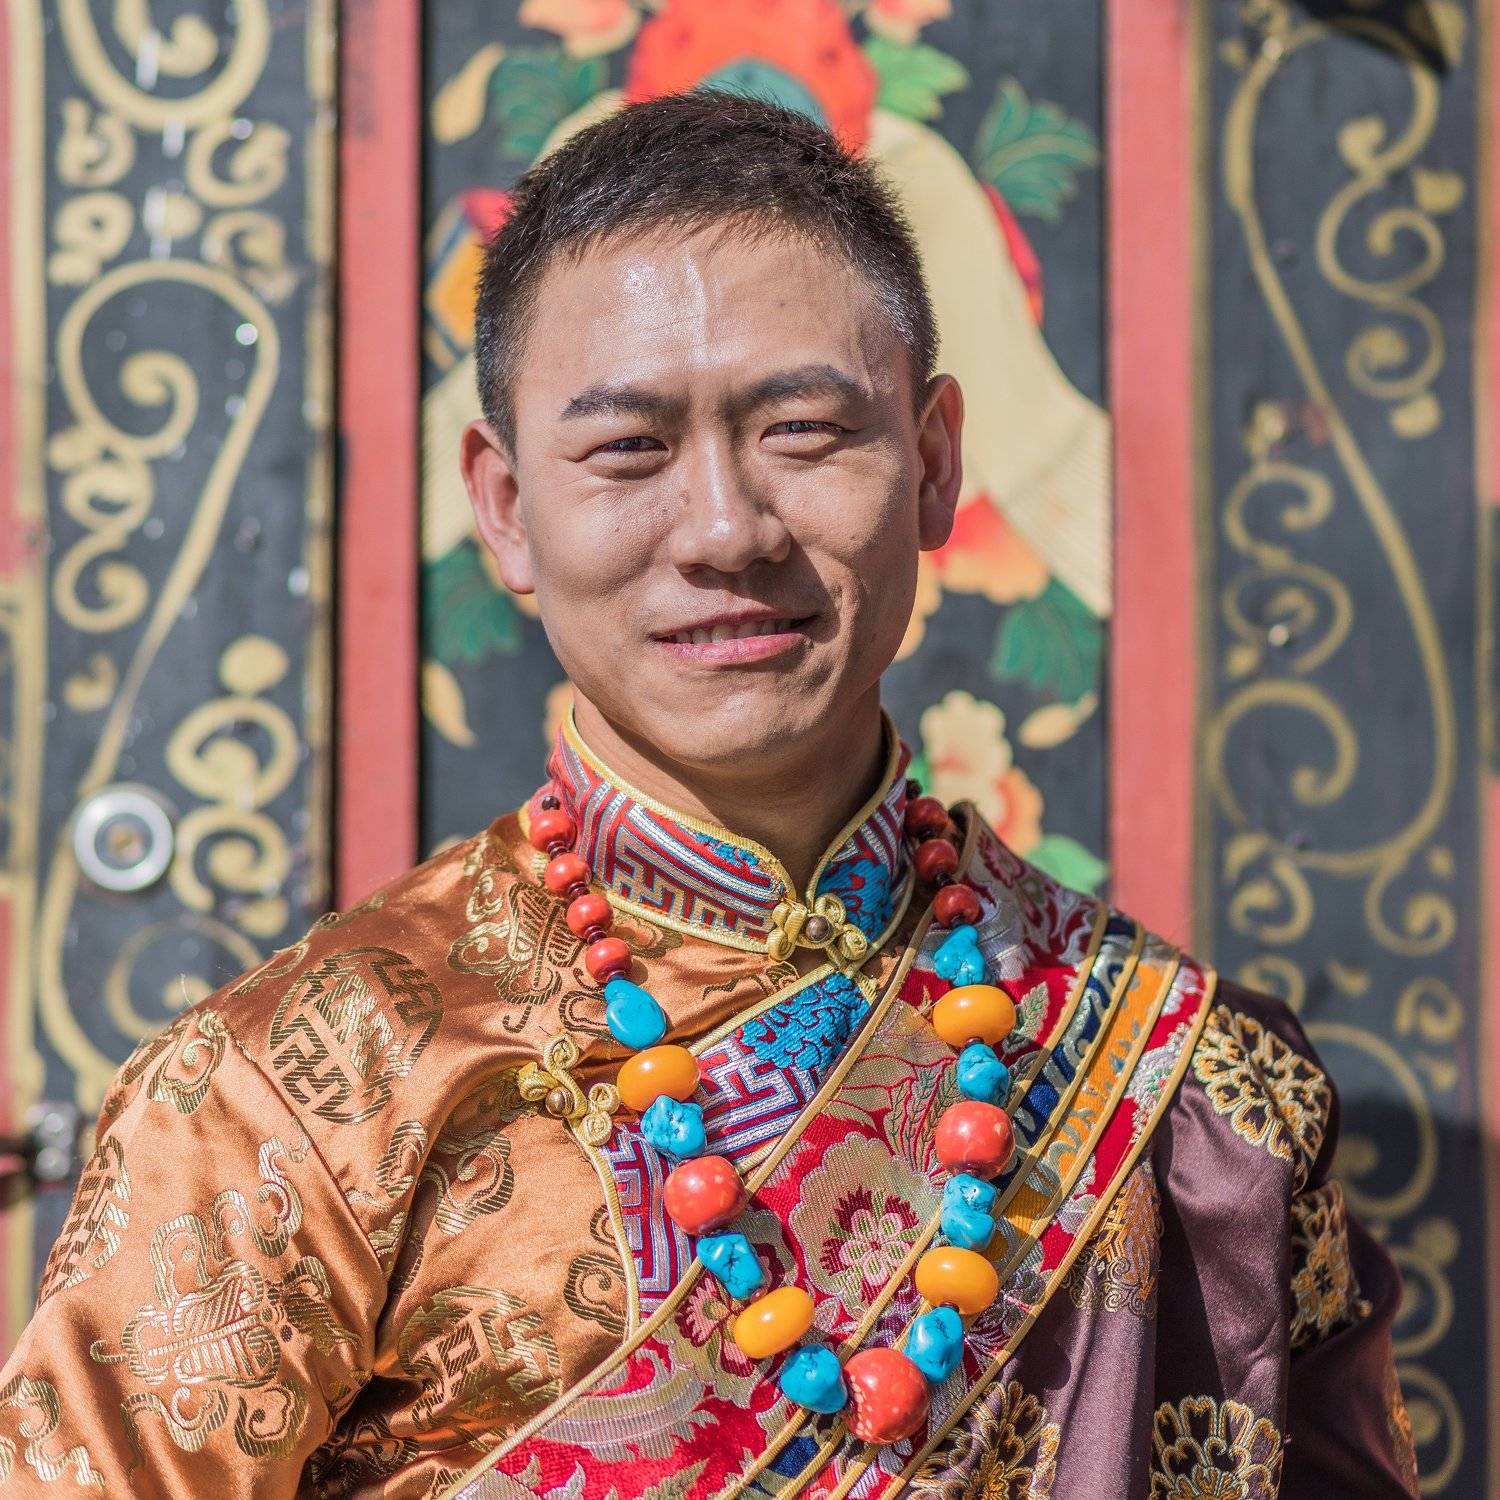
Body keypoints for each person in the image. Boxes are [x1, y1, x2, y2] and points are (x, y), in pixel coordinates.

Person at [0, 91, 1416, 1499]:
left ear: (932, 464)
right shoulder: (286, 1105)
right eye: (629, 448)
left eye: (803, 428)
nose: (728, 530)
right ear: (505, 508)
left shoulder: (1200, 1091)